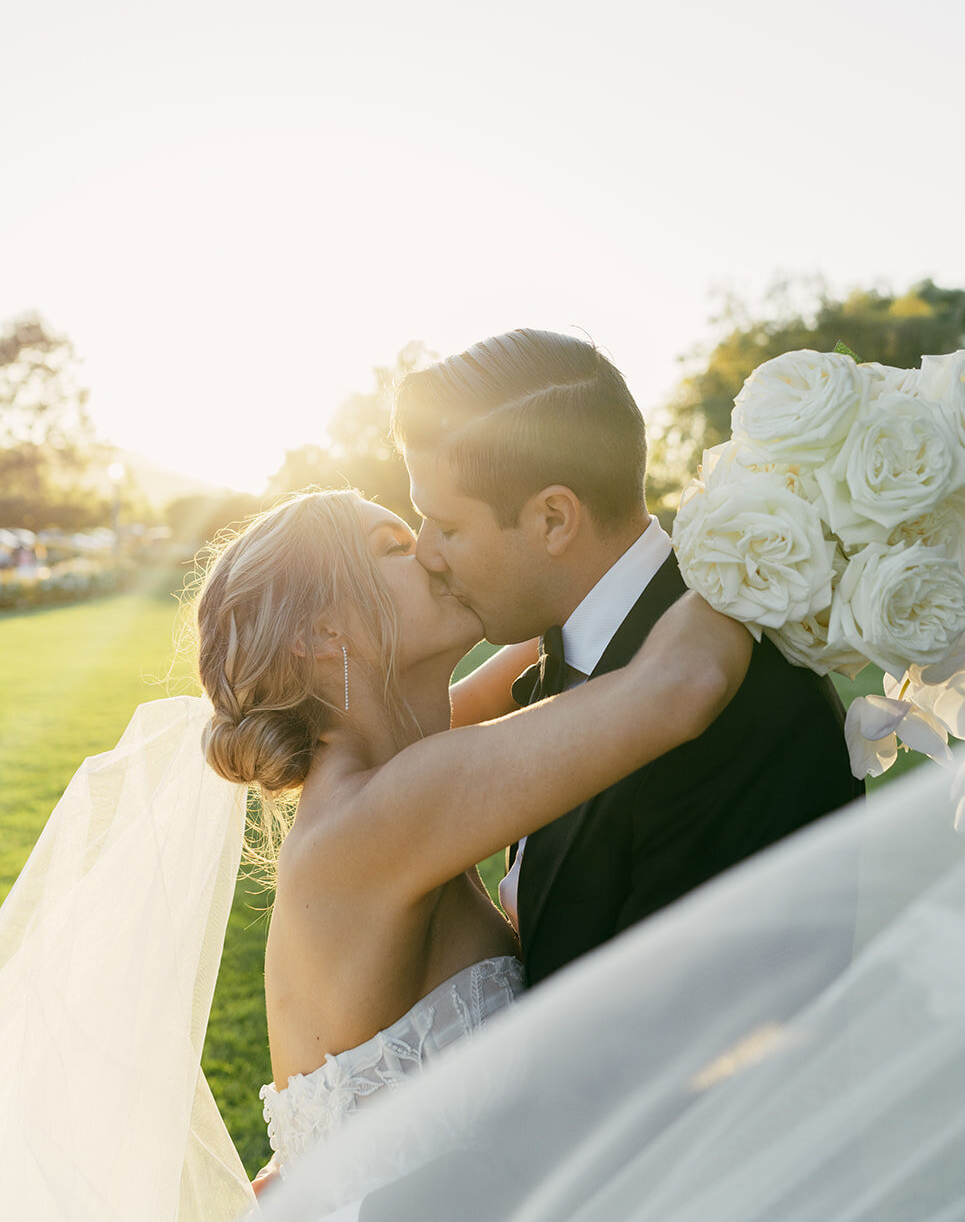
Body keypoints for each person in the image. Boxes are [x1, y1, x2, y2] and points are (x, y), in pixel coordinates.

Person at [0, 485, 751, 1219]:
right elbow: (681, 683)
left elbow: (564, 623)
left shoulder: (396, 767)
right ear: (325, 634)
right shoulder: (376, 819)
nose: (428, 550)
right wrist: (782, 532)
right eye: (394, 547)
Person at [393, 328, 864, 985]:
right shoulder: (564, 644)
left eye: (445, 526)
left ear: (553, 519)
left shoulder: (754, 713)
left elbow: (709, 1050)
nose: (424, 553)